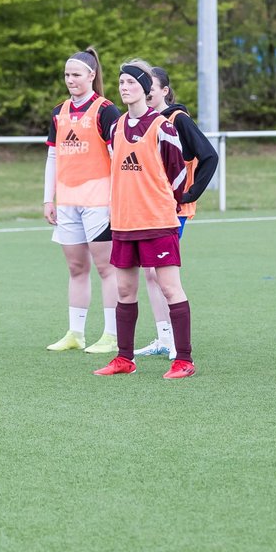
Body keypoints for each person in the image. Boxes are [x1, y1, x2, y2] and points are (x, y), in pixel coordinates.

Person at [93, 60, 196, 380]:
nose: (124, 87)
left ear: (146, 89)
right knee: (124, 290)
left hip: (157, 220)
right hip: (124, 222)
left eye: (131, 83)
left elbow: (178, 174)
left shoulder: (162, 126)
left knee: (169, 287)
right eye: (121, 83)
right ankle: (124, 358)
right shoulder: (116, 126)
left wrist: (169, 205)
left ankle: (184, 360)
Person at [132, 67, 219, 360]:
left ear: (164, 91)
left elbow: (209, 155)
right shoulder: (146, 123)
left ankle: (174, 343)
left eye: (151, 89)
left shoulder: (177, 119)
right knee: (151, 274)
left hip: (171, 210)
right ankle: (164, 337)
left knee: (164, 275)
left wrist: (189, 194)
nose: (145, 94)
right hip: (148, 208)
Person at [43, 47, 122, 354]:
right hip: (68, 203)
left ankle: (111, 335)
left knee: (107, 268)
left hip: (99, 202)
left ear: (91, 75)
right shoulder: (58, 112)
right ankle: (76, 333)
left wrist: (117, 199)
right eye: (67, 75)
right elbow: (52, 155)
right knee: (76, 267)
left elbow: (117, 157)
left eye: (76, 75)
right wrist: (48, 199)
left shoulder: (106, 111)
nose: (71, 80)